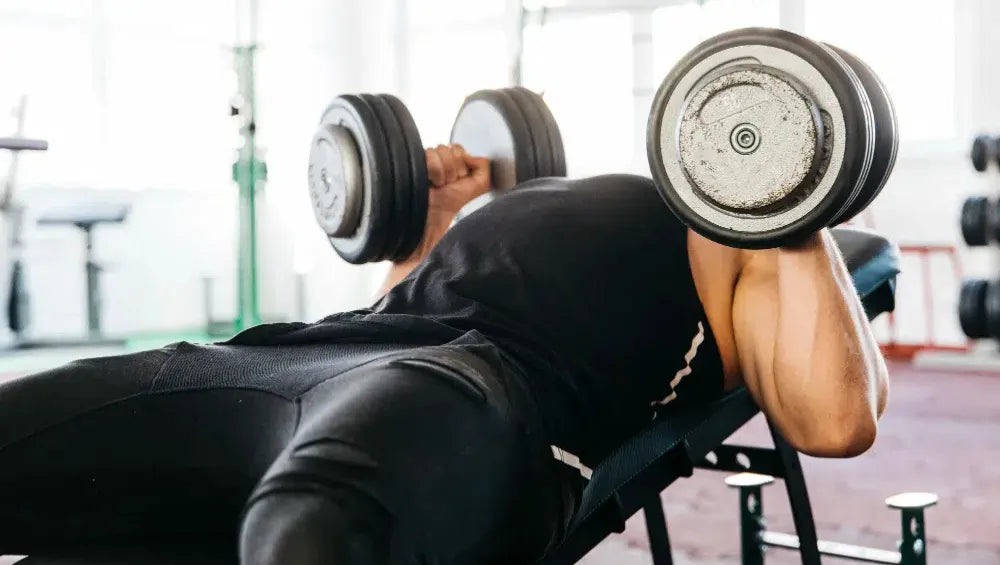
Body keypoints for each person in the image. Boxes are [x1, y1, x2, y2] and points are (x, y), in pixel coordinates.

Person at [0, 144, 889, 564]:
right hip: (301, 356)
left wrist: (786, 204)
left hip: (478, 387)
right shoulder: (537, 190)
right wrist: (429, 225)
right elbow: (405, 306)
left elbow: (836, 419)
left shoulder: (753, 242)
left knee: (309, 534)